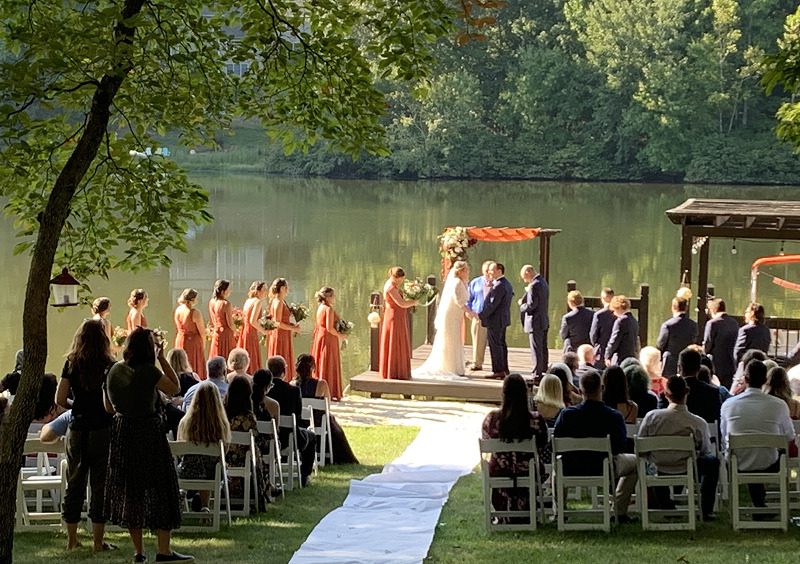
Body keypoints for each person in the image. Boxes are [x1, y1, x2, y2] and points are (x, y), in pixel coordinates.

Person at [103, 327, 192, 563]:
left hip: (123, 432)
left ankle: (139, 552)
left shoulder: (114, 370)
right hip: (149, 433)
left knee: (132, 492)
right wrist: (163, 357)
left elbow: (108, 407)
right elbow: (175, 388)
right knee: (162, 490)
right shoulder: (149, 371)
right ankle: (164, 551)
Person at [56, 320, 116, 551]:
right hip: (102, 427)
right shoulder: (109, 364)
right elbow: (111, 402)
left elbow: (60, 400)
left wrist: (76, 405)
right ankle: (98, 542)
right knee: (100, 485)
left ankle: (72, 540)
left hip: (78, 427)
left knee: (75, 483)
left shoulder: (71, 363)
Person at [554, 369, 638, 523]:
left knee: (557, 467)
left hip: (571, 468)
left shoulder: (567, 415)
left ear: (580, 390)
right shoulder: (614, 416)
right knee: (637, 463)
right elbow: (620, 447)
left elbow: (556, 443)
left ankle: (560, 510)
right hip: (605, 467)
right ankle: (619, 511)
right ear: (602, 388)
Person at [638, 376, 719, 521]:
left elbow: (641, 446)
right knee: (712, 462)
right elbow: (706, 449)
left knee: (652, 464)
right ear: (687, 391)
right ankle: (706, 509)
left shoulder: (652, 417)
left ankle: (665, 504)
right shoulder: (697, 422)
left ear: (666, 393)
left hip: (659, 466)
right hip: (687, 466)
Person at [721, 360, 795, 511]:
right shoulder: (778, 405)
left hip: (737, 462)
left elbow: (724, 437)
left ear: (745, 379)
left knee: (750, 454)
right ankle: (760, 506)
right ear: (764, 380)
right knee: (762, 454)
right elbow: (789, 436)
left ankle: (760, 506)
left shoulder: (729, 405)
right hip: (770, 463)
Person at [481, 373, 549, 524]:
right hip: (529, 471)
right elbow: (543, 443)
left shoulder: (491, 420)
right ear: (525, 394)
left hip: (499, 470)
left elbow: (486, 439)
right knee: (540, 467)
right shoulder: (536, 420)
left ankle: (505, 511)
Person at [413, 261, 475, 379]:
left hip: (456, 315)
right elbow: (459, 302)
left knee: (454, 338)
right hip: (451, 315)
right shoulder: (456, 283)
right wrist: (470, 312)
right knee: (451, 338)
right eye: (466, 270)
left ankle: (455, 366)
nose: (468, 272)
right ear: (460, 272)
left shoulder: (461, 282)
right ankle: (451, 366)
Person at [177, 381, 231, 512]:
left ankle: (183, 494)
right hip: (213, 473)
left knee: (196, 462)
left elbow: (179, 450)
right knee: (212, 466)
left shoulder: (185, 422)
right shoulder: (221, 424)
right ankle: (205, 505)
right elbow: (224, 450)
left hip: (188, 471)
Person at [294, 354, 359, 464]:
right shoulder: (321, 384)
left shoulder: (292, 385)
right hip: (317, 423)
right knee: (330, 420)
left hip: (299, 423)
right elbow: (327, 406)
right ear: (313, 368)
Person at [267, 356, 317, 486]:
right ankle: (304, 475)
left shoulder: (263, 391)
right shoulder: (293, 390)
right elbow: (298, 416)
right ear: (284, 371)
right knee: (311, 436)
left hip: (266, 436)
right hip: (288, 436)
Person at [224, 375, 271, 507]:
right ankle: (262, 489)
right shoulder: (248, 417)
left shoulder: (223, 414)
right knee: (256, 451)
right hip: (243, 459)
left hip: (224, 457)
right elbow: (255, 436)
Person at [659, 348, 721, 424]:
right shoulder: (712, 393)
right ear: (699, 369)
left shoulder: (666, 394)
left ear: (679, 368)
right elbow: (716, 423)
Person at [379, 267, 417, 380]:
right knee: (395, 341)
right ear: (395, 277)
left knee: (398, 341)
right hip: (393, 317)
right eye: (400, 279)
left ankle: (399, 369)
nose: (401, 282)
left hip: (398, 316)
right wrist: (414, 302)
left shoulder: (393, 285)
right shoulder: (390, 288)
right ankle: (394, 371)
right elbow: (401, 303)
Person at [311, 286, 346, 398]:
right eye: (333, 295)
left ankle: (320, 390)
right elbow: (329, 328)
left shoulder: (320, 307)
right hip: (328, 338)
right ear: (328, 297)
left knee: (322, 360)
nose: (335, 297)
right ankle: (331, 390)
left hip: (320, 336)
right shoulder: (328, 309)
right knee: (329, 360)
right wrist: (341, 335)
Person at [480, 262, 514, 379]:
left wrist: (481, 315)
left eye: (492, 270)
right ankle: (504, 369)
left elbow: (492, 304)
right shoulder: (506, 283)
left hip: (496, 320)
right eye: (488, 270)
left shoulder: (499, 285)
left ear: (499, 271)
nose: (489, 273)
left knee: (496, 345)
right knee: (501, 344)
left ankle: (498, 370)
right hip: (502, 319)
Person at [268, 278, 301, 381]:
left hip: (284, 334)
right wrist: (293, 328)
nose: (288, 289)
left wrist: (292, 324)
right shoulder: (278, 302)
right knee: (283, 355)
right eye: (287, 287)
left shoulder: (277, 301)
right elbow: (277, 322)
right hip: (281, 335)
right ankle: (282, 380)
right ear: (282, 288)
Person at [656, 297, 699, 377]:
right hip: (687, 361)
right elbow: (694, 341)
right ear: (686, 308)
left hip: (670, 361)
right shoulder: (693, 325)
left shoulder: (667, 325)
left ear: (673, 307)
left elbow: (660, 344)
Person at [518, 264, 548, 377]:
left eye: (524, 278)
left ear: (528, 273)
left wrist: (522, 305)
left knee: (536, 348)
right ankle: (543, 368)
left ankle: (537, 372)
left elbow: (531, 305)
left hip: (535, 321)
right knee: (542, 347)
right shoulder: (543, 282)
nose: (525, 281)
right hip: (543, 320)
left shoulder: (534, 285)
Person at [703, 298, 740, 389]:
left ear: (713, 310)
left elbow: (707, 345)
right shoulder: (734, 323)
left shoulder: (712, 324)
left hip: (716, 365)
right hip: (731, 364)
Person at [174, 288, 207, 381]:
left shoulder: (178, 310)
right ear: (192, 299)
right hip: (192, 342)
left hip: (180, 338)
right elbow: (202, 332)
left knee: (181, 363)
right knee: (193, 363)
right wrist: (202, 345)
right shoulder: (195, 313)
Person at [238, 281, 271, 373]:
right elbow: (252, 321)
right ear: (258, 291)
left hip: (244, 331)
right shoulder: (257, 302)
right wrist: (264, 331)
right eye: (264, 290)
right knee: (251, 356)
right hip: (251, 333)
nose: (266, 292)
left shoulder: (248, 300)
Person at [467, 260, 493, 371]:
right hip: (478, 315)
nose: (488, 273)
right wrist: (468, 310)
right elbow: (469, 297)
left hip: (493, 316)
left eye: (490, 270)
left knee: (496, 341)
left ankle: (497, 365)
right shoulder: (475, 282)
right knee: (478, 340)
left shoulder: (498, 282)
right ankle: (477, 363)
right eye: (486, 271)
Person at [605, 295, 639, 366]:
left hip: (620, 358)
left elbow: (614, 341)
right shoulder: (634, 320)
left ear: (618, 308)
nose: (614, 313)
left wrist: (607, 355)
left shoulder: (620, 321)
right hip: (632, 357)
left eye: (614, 310)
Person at [208, 279, 236, 361]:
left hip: (217, 332)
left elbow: (213, 320)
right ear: (223, 291)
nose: (230, 291)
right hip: (226, 333)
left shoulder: (211, 302)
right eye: (228, 289)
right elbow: (230, 324)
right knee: (227, 356)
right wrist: (236, 331)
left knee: (217, 354)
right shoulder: (226, 304)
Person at [560, 290, 593, 354]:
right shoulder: (592, 314)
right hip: (588, 346)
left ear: (570, 303)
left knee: (567, 341)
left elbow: (563, 335)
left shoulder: (567, 317)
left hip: (573, 348)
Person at [590, 287, 615, 369]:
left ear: (602, 299)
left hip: (601, 352)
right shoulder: (619, 314)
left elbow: (593, 335)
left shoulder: (599, 315)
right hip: (615, 352)